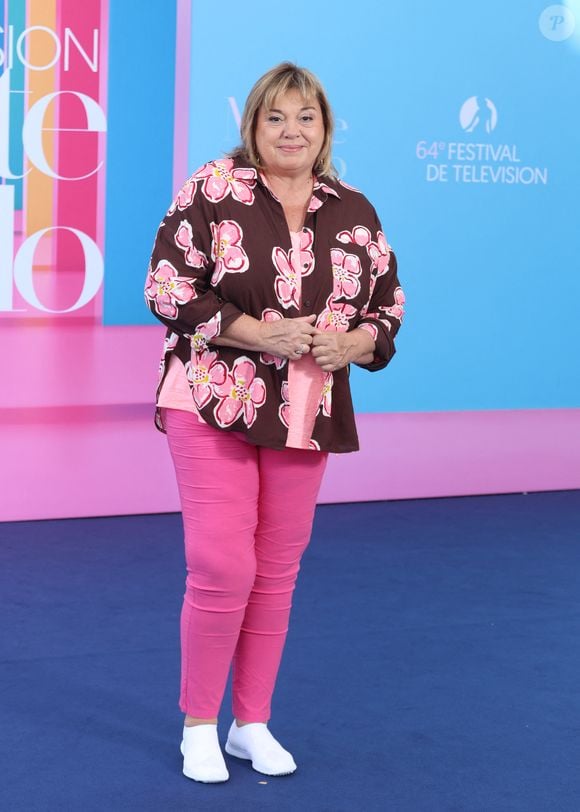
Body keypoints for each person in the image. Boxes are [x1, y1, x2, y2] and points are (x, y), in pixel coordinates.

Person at [144, 61, 404, 783]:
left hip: (307, 407)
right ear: (253, 126)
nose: (292, 130)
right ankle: (200, 722)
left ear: (325, 129)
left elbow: (387, 307)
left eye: (306, 118)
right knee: (224, 564)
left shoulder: (354, 209)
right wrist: (259, 333)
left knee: (277, 574)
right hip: (211, 397)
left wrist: (356, 343)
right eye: (276, 118)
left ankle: (249, 722)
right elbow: (166, 288)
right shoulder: (213, 189)